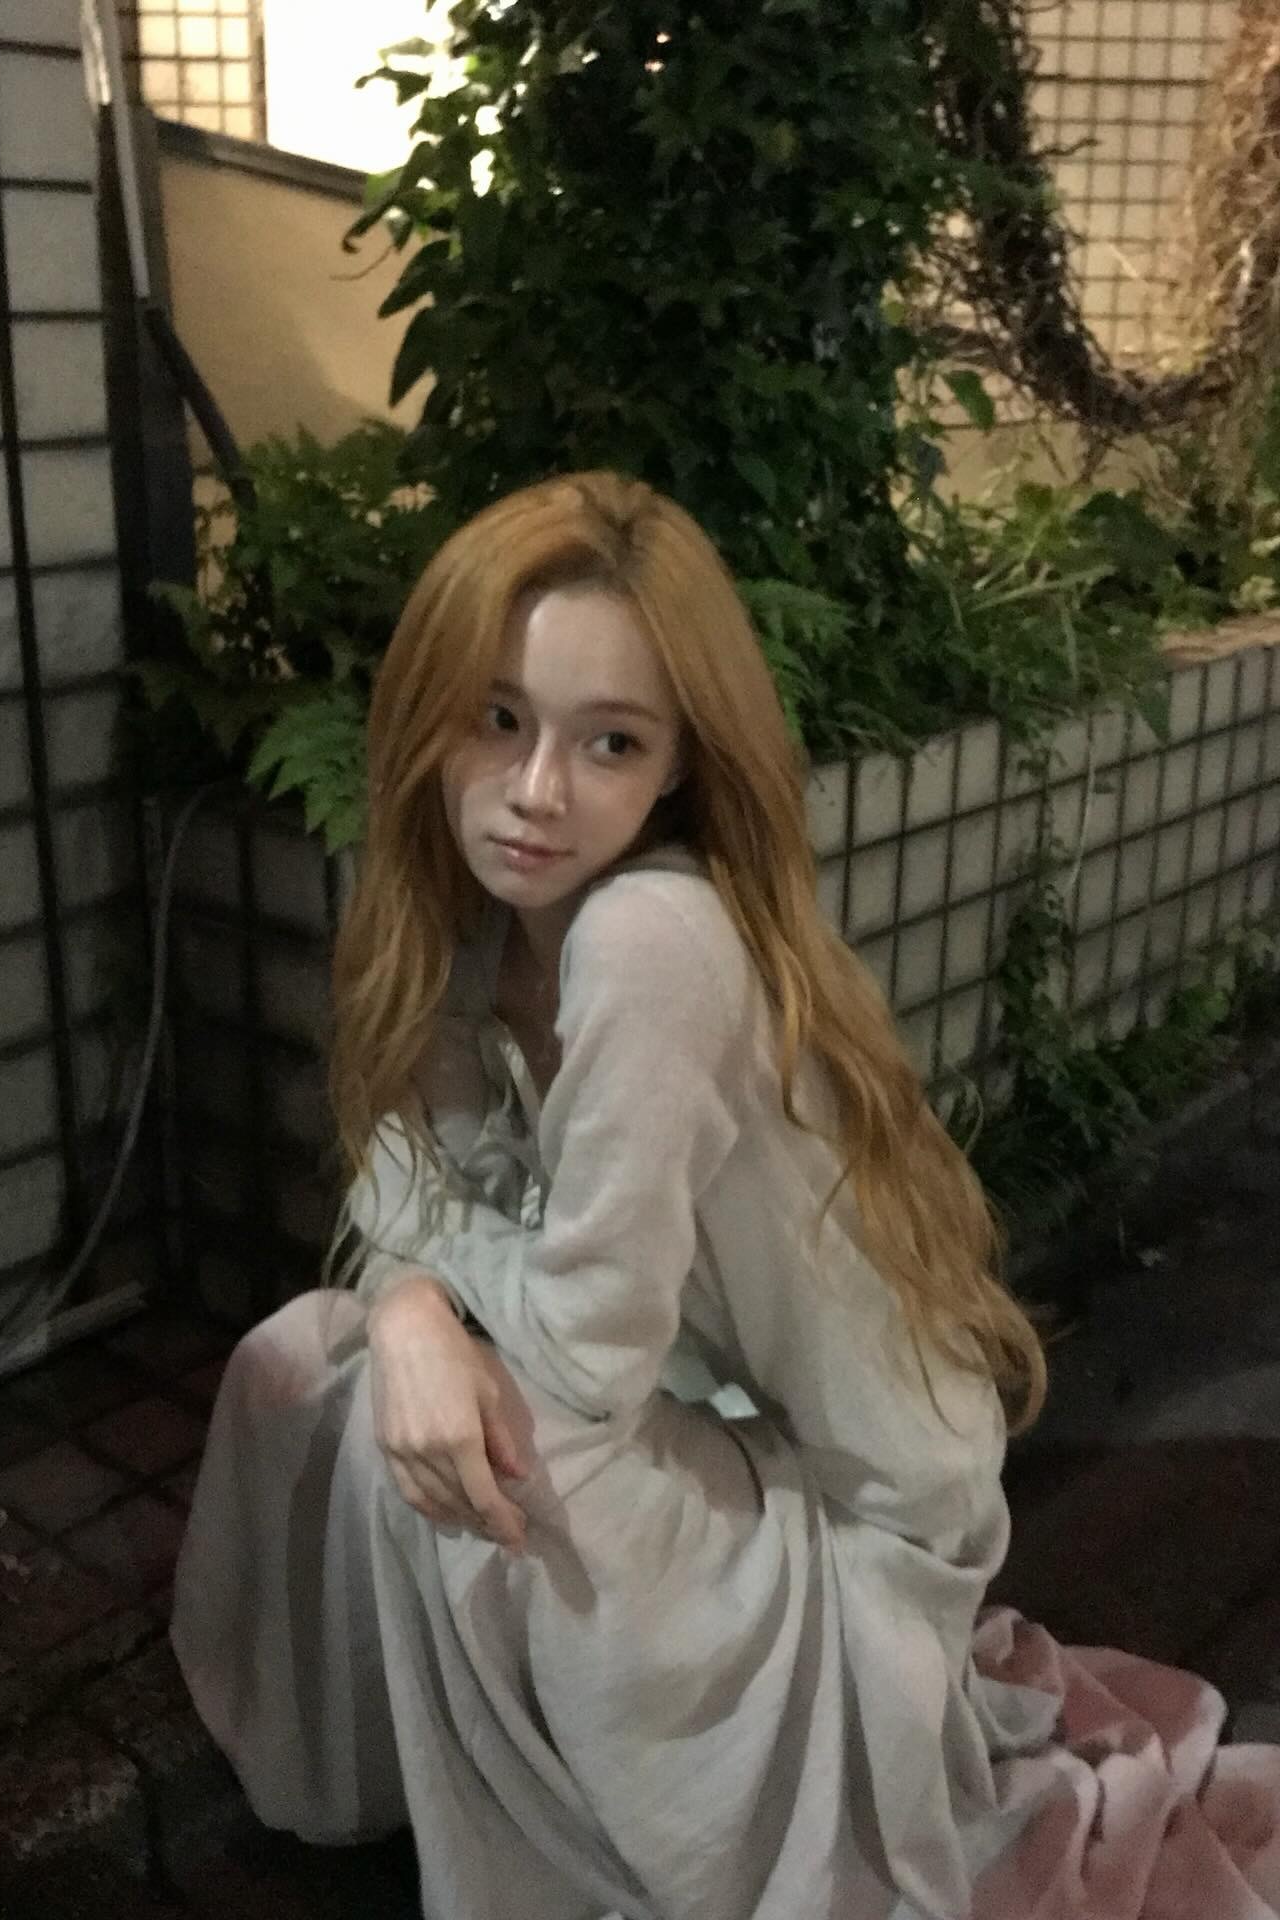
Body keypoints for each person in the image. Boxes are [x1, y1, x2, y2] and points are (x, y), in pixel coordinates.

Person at [171, 471, 1280, 1920]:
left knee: (505, 1435)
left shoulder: (653, 937)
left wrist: (419, 1303)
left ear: (678, 769)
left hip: (865, 1509)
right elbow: (407, 1184)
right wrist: (410, 1309)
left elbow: (585, 1356)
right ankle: (413, 1792)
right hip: (710, 1412)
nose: (536, 790)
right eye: (496, 717)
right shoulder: (465, 927)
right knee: (306, 1359)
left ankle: (558, 1853)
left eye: (609, 741)